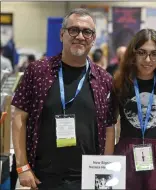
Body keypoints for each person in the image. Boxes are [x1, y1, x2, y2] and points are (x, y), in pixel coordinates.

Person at [11, 8, 116, 190]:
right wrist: (22, 166)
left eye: (87, 32)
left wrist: (104, 174)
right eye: (73, 30)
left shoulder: (104, 80)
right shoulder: (37, 71)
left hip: (87, 179)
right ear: (62, 34)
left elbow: (109, 129)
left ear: (93, 39)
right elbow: (19, 117)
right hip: (41, 178)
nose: (80, 36)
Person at [113, 28, 156, 190]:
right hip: (126, 151)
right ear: (133, 54)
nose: (148, 59)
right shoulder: (120, 83)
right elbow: (109, 124)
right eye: (142, 52)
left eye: (154, 54)